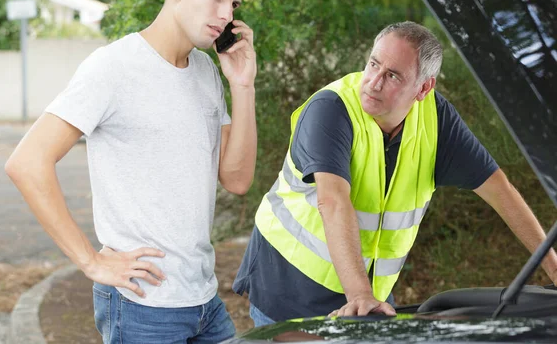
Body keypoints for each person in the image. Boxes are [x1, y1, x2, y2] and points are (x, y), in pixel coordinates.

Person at [5, 0, 257, 342]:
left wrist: (243, 87)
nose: (227, 15)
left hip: (204, 301)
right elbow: (27, 163)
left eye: (234, 4)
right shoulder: (113, 67)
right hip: (142, 306)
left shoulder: (207, 72)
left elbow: (238, 179)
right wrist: (91, 261)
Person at [232, 21, 557, 326]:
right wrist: (360, 294)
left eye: (393, 76)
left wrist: (554, 269)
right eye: (373, 64)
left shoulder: (437, 121)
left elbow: (501, 192)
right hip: (286, 288)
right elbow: (332, 201)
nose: (373, 82)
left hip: (367, 294)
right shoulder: (331, 109)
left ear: (424, 88)